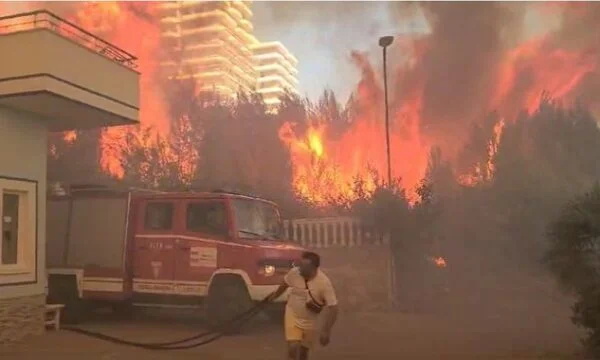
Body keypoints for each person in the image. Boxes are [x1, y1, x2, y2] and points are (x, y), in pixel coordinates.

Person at [269, 251, 338, 360]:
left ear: (314, 268)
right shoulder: (294, 273)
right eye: (300, 265)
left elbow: (333, 308)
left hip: (311, 321)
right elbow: (285, 283)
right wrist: (275, 296)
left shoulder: (324, 283)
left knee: (303, 352)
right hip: (293, 314)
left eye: (303, 267)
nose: (299, 268)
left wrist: (326, 330)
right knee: (293, 347)